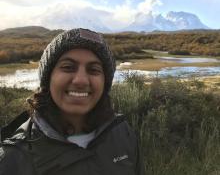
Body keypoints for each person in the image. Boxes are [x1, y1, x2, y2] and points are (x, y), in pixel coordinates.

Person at [0, 28, 145, 175]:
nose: (81, 80)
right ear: (48, 79)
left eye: (93, 70)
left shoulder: (122, 133)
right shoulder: (13, 158)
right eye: (68, 67)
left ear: (105, 83)